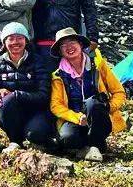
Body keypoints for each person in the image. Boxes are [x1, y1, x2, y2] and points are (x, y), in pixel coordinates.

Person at [50, 27, 125, 161]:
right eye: (63, 45)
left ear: (80, 45)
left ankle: (95, 144)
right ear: (60, 52)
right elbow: (56, 105)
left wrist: (108, 107)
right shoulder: (57, 75)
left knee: (93, 103)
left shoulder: (98, 65)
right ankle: (87, 147)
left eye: (72, 42)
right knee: (68, 139)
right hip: (75, 117)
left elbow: (118, 92)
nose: (69, 47)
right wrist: (76, 117)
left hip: (98, 115)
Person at [0, 22, 54, 153]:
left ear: (26, 41)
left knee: (35, 134)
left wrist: (16, 94)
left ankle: (43, 139)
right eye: (11, 38)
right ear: (4, 42)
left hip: (36, 110)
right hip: (10, 112)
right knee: (7, 101)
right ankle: (15, 141)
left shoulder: (38, 61)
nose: (15, 42)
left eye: (20, 38)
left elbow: (44, 95)